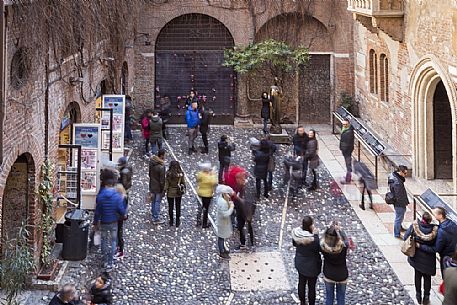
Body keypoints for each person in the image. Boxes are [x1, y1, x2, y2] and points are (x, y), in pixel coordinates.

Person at [94, 171, 126, 271]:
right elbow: (121, 210)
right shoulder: (117, 196)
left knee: (104, 241)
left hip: (103, 221)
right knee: (113, 241)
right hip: (113, 222)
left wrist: (95, 222)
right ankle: (110, 262)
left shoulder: (100, 196)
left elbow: (97, 212)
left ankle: (104, 260)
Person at [403, 212, 438, 305]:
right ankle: (426, 296)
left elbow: (406, 237)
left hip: (417, 257)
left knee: (417, 276)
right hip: (429, 259)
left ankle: (418, 295)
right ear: (430, 221)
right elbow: (437, 246)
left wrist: (416, 244)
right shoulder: (435, 230)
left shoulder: (415, 226)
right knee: (427, 278)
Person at [292, 216, 322, 305]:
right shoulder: (314, 239)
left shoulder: (297, 234)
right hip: (312, 266)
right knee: (311, 287)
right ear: (310, 226)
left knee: (301, 283)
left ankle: (302, 302)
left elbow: (294, 244)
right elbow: (318, 248)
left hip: (300, 263)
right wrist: (316, 235)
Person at [420, 207, 457, 276]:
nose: (432, 215)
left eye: (434, 214)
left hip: (446, 257)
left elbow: (436, 249)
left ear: (440, 215)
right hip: (454, 254)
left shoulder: (441, 232)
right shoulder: (453, 224)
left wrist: (421, 246)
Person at [321, 225, 349, 305]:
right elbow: (346, 240)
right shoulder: (343, 247)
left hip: (329, 274)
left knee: (329, 297)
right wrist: (340, 230)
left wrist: (327, 229)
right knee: (341, 298)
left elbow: (321, 239)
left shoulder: (324, 248)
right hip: (342, 275)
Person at [115, 157, 132, 259]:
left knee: (119, 232)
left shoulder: (124, 172)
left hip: (119, 215)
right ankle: (119, 248)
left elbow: (124, 183)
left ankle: (120, 249)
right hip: (125, 192)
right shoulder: (128, 168)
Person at [387, 165, 409, 239]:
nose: (405, 175)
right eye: (405, 173)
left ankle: (400, 227)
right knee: (399, 217)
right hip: (399, 202)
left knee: (399, 216)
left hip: (397, 201)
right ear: (400, 172)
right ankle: (397, 233)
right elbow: (399, 196)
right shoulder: (397, 183)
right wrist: (403, 204)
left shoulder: (394, 176)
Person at [215, 184, 235, 259]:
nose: (229, 195)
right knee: (221, 237)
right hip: (222, 223)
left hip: (223, 222)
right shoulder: (222, 202)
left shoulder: (222, 199)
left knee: (222, 237)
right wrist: (231, 208)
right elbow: (225, 214)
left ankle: (223, 248)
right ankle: (222, 252)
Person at [196, 162, 218, 228]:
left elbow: (197, 179)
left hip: (200, 193)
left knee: (200, 208)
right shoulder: (209, 177)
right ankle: (204, 223)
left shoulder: (200, 174)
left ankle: (198, 221)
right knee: (206, 209)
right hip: (207, 195)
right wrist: (213, 174)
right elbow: (215, 182)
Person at [164, 160, 186, 227]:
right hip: (178, 192)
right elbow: (183, 183)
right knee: (178, 206)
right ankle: (177, 221)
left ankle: (171, 221)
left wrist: (164, 190)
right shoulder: (180, 174)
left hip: (170, 192)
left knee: (170, 207)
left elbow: (166, 184)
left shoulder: (168, 174)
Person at [149, 149, 166, 225]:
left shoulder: (151, 162)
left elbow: (149, 174)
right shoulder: (161, 167)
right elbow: (162, 180)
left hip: (152, 184)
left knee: (153, 200)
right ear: (162, 155)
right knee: (157, 202)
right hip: (158, 187)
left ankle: (153, 213)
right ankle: (156, 218)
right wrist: (163, 189)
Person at [339, 119, 355, 184]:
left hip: (347, 150)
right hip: (345, 149)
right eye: (343, 124)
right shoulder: (345, 129)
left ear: (348, 124)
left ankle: (348, 179)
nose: (344, 125)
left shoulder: (349, 132)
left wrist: (343, 149)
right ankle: (347, 176)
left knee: (348, 164)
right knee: (347, 163)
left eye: (345, 124)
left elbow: (348, 143)